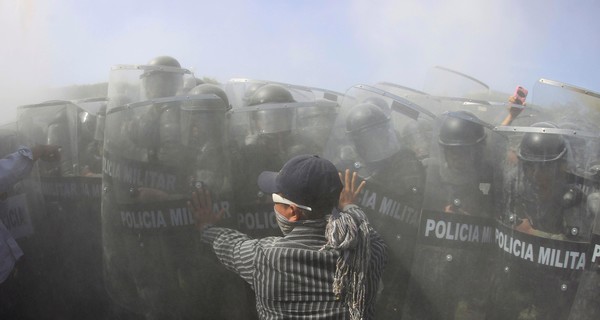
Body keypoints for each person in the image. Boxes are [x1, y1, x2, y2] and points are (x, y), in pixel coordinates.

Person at [189, 155, 388, 320]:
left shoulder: (263, 257)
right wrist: (349, 206)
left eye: (275, 198)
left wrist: (206, 227)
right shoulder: (369, 252)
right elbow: (364, 230)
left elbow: (228, 244)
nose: (271, 203)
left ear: (293, 211)